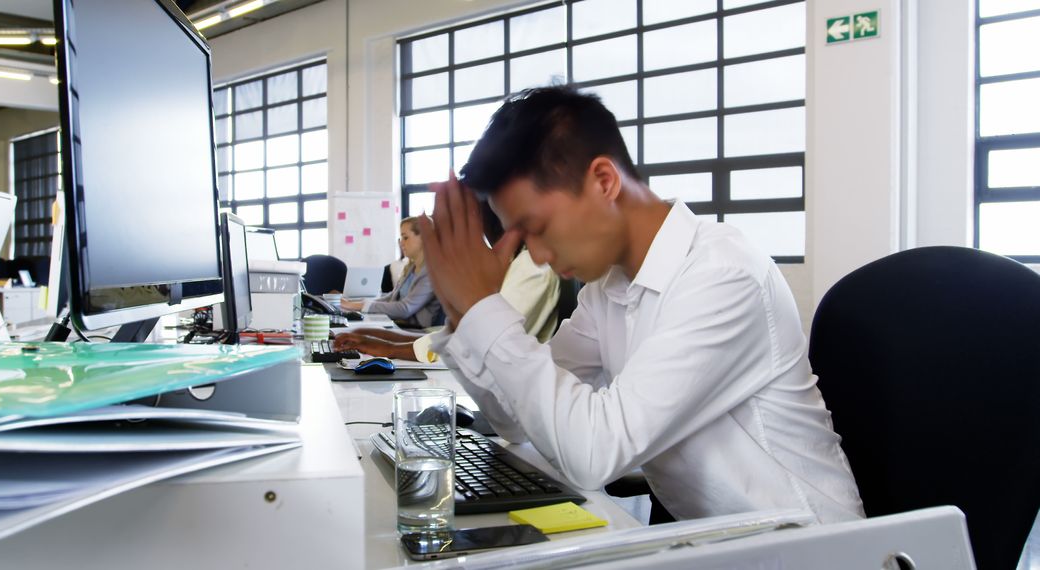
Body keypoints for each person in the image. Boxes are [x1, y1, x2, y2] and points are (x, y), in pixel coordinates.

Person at [416, 86, 864, 524]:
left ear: (604, 181)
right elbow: (515, 419)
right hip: (714, 545)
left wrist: (484, 308)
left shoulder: (722, 275)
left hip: (809, 548)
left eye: (535, 227)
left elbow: (595, 452)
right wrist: (464, 313)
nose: (535, 255)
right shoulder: (607, 288)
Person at [334, 203, 560, 361]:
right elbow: (458, 336)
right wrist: (380, 338)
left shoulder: (532, 266)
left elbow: (476, 341)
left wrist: (391, 348)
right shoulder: (509, 264)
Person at [341, 217, 442, 329]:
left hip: (415, 331)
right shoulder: (411, 267)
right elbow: (392, 297)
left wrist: (359, 306)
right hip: (399, 323)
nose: (401, 243)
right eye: (401, 238)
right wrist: (359, 303)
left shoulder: (431, 273)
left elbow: (405, 309)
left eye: (406, 237)